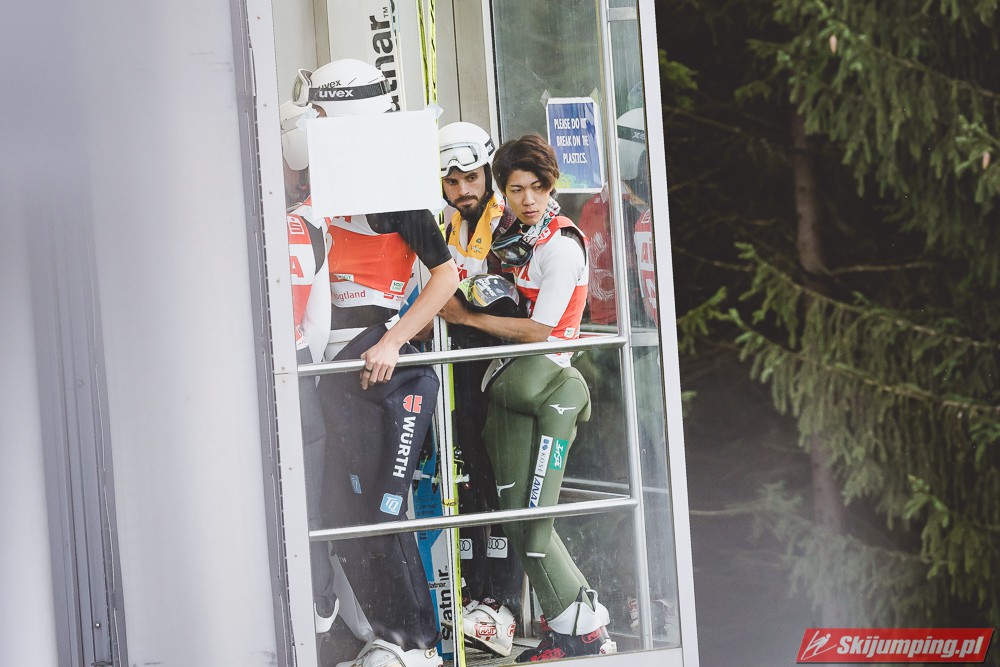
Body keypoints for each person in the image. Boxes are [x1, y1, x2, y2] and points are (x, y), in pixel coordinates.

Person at [291, 58, 459, 667]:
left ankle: (415, 645)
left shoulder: (395, 188)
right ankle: (375, 636)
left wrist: (392, 342)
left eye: (320, 112)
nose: (312, 125)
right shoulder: (311, 185)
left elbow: (446, 276)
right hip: (327, 366)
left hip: (380, 363)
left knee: (384, 510)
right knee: (341, 508)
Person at [439, 135, 617, 662]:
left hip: (549, 393)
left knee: (533, 524)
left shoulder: (561, 245)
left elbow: (541, 331)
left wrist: (467, 317)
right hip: (510, 392)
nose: (528, 199)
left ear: (551, 185)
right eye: (516, 189)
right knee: (519, 519)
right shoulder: (522, 236)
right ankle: (573, 628)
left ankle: (584, 629)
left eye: (537, 187)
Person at [437, 121, 523, 657]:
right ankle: (478, 597)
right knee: (473, 481)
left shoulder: (509, 218)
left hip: (502, 363)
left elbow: (513, 299)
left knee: (503, 483)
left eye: (471, 177)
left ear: (487, 171)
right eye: (452, 181)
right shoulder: (446, 220)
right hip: (461, 364)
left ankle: (505, 604)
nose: (463, 189)